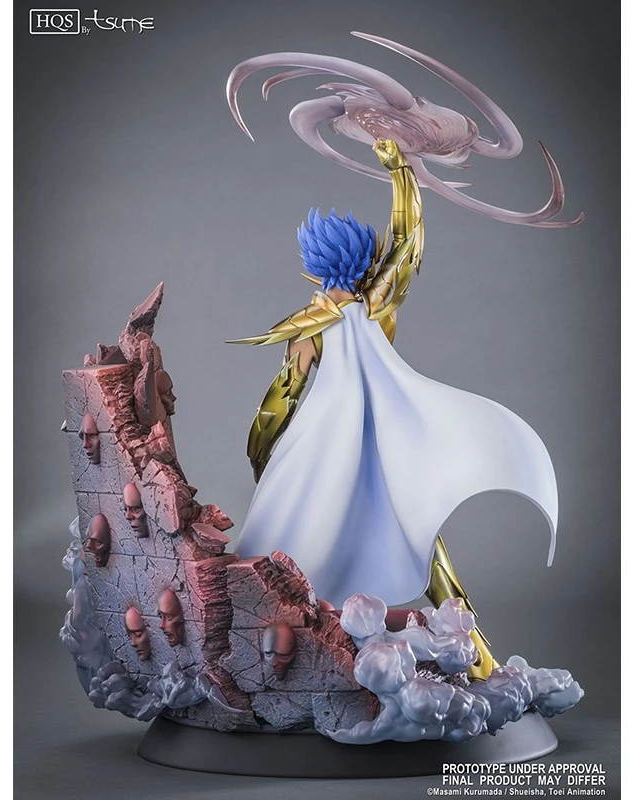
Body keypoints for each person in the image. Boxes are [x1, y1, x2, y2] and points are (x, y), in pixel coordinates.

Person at [230, 139, 557, 679]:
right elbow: (408, 241)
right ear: (364, 264)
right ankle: (473, 660)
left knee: (322, 545)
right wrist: (400, 171)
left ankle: (342, 660)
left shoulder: (310, 325)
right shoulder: (372, 306)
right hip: (369, 448)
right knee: (413, 538)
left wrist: (265, 462)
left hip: (336, 450)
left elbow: (275, 407)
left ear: (317, 269)